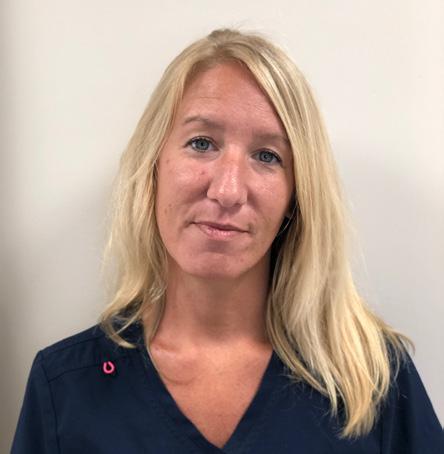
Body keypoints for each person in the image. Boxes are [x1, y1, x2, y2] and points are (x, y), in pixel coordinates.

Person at [11, 28, 443, 454]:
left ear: (296, 195)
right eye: (201, 143)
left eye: (267, 156)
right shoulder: (65, 390)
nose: (228, 190)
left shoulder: (372, 380)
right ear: (153, 165)